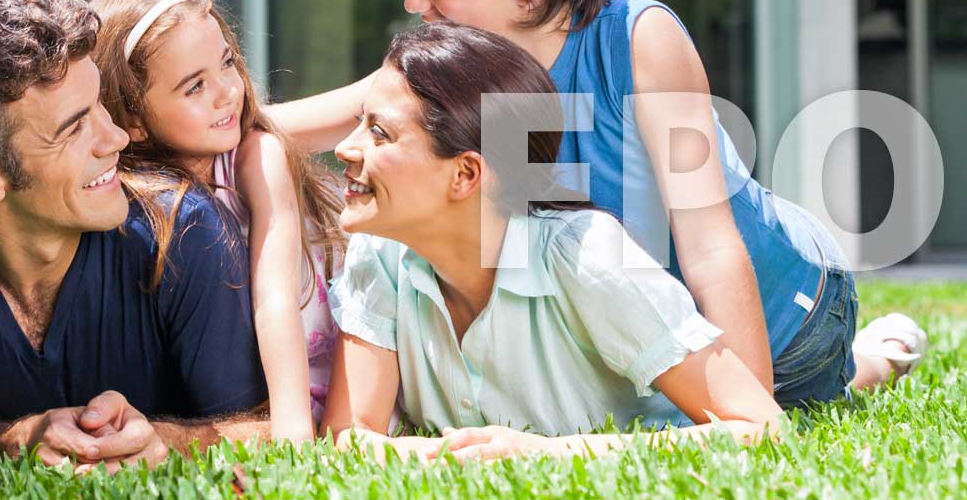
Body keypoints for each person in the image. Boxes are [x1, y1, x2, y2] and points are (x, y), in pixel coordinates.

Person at [269, 0, 926, 406]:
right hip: (655, 336)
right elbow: (329, 115)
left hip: (790, 316)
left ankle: (877, 356)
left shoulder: (640, 43)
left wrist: (745, 407)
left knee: (806, 392)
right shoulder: (472, 71)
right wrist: (198, 119)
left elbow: (712, 246)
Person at [0, 0, 347, 442]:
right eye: (74, 128)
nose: (114, 139)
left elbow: (265, 427)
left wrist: (173, 443)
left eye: (101, 105)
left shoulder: (193, 217)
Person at [322, 23, 785, 459]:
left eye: (379, 133)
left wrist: (544, 453)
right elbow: (349, 434)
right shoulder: (379, 250)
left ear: (465, 174)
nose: (345, 147)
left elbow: (761, 427)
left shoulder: (589, 257)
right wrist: (444, 455)